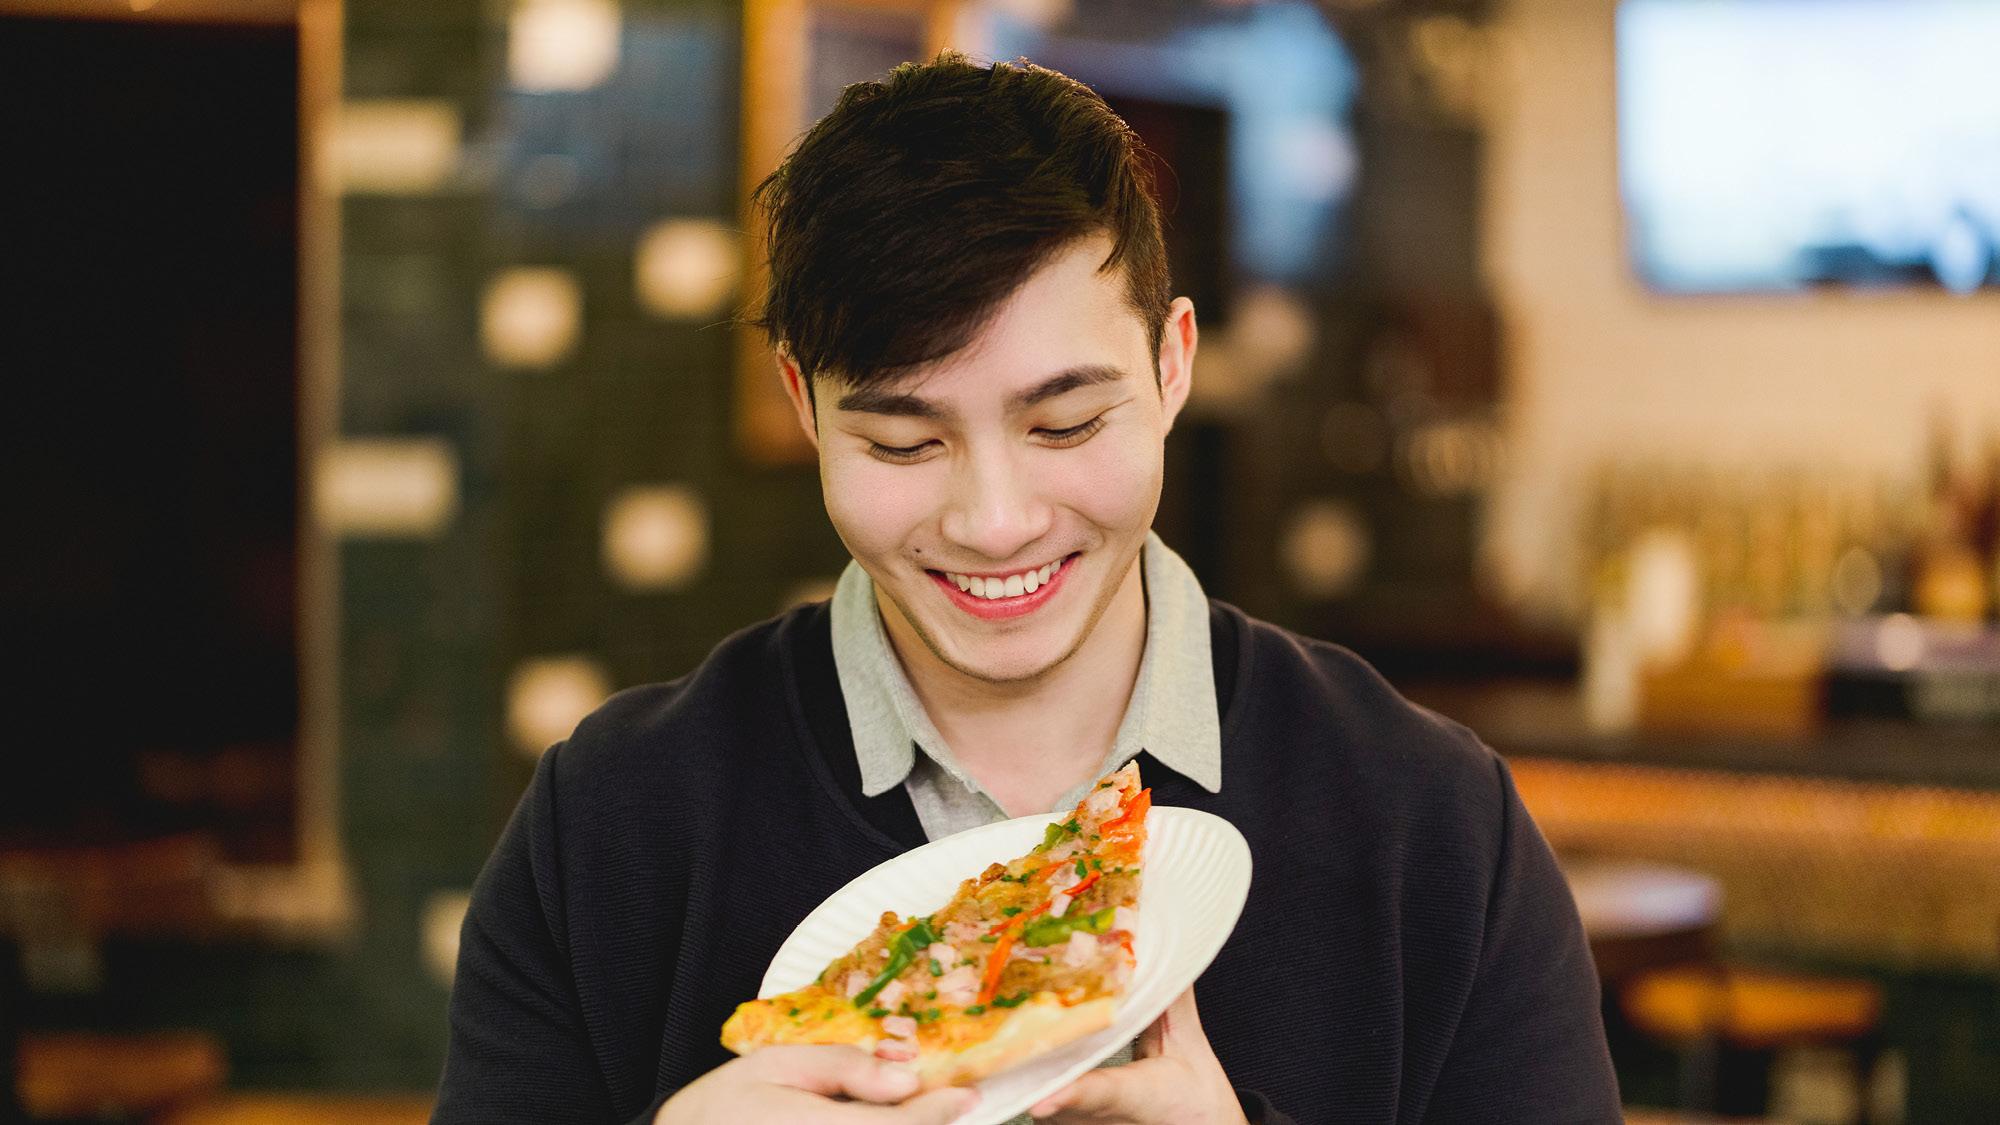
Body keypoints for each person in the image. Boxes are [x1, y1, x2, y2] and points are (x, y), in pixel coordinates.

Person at [434, 52, 1620, 1125]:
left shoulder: (1427, 824)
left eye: (1064, 422)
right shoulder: (614, 823)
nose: (994, 523)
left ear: (1171, 366)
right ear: (804, 404)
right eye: (904, 444)